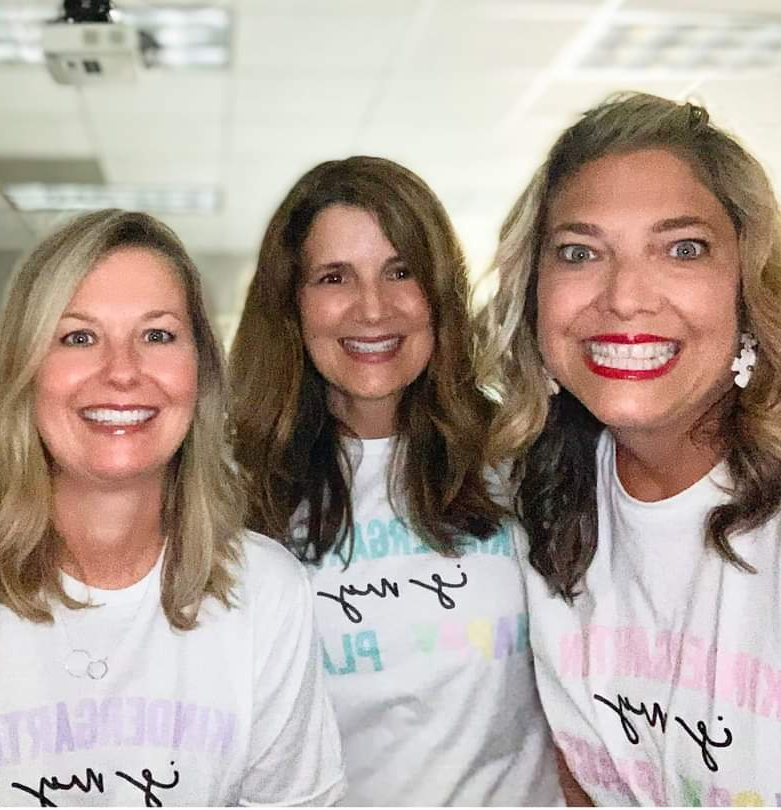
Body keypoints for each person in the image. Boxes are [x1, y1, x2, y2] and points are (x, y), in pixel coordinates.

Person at [0, 209, 346, 806]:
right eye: (78, 337)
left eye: (157, 335)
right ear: (26, 371)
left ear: (201, 375)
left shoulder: (267, 591)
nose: (122, 373)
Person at [227, 156, 561, 805]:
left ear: (437, 292)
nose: (373, 307)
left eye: (400, 271)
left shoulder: (524, 458)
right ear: (292, 306)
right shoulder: (239, 494)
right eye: (334, 277)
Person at [477, 91, 781, 805]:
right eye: (580, 253)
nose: (624, 297)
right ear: (534, 295)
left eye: (683, 248)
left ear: (748, 284)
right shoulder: (539, 501)